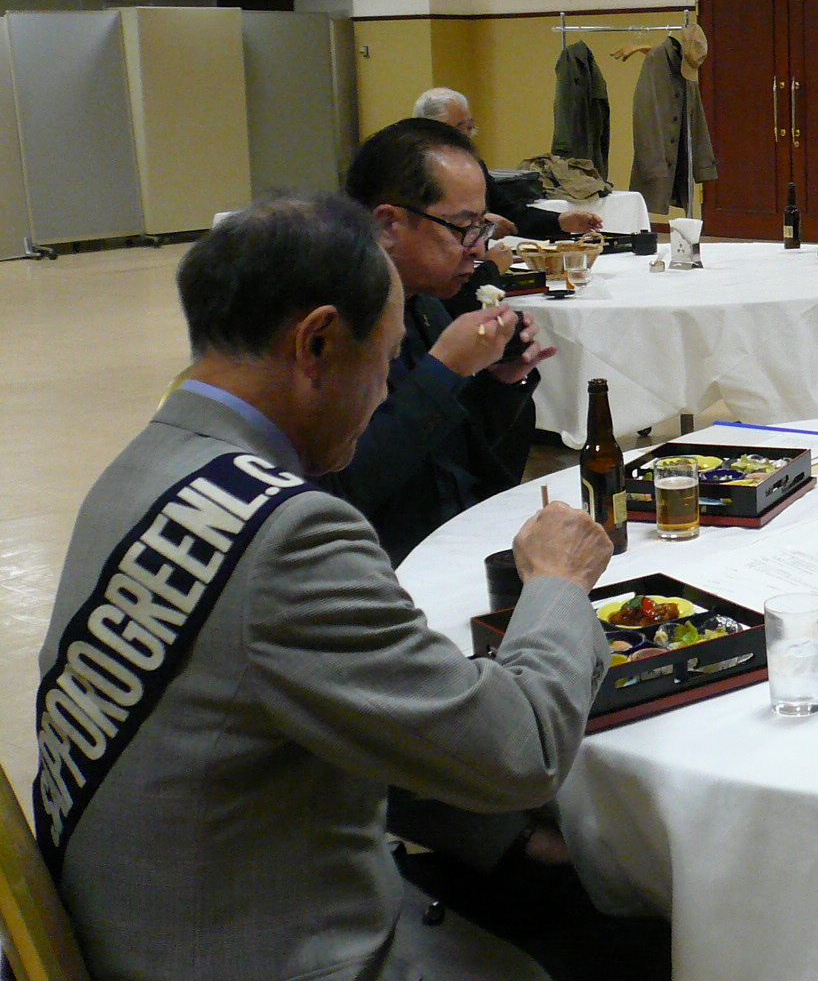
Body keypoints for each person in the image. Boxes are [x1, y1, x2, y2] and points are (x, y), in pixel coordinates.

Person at [34, 195, 612, 981]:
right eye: (386, 360)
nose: (383, 394)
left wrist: (506, 838)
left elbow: (289, 719)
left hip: (150, 920)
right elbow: (524, 750)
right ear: (317, 343)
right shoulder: (287, 533)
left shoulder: (139, 468)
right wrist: (557, 584)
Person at [323, 118, 555, 563]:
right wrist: (444, 370)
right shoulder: (332, 327)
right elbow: (343, 491)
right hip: (384, 567)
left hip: (457, 543)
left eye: (482, 228)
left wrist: (500, 381)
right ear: (387, 224)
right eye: (461, 228)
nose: (479, 249)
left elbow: (463, 459)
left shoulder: (425, 302)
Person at [415, 87, 602, 240]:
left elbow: (510, 213)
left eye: (470, 127)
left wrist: (560, 221)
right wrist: (478, 224)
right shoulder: (412, 169)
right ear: (428, 130)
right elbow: (424, 223)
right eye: (458, 129)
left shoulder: (473, 166)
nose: (467, 137)